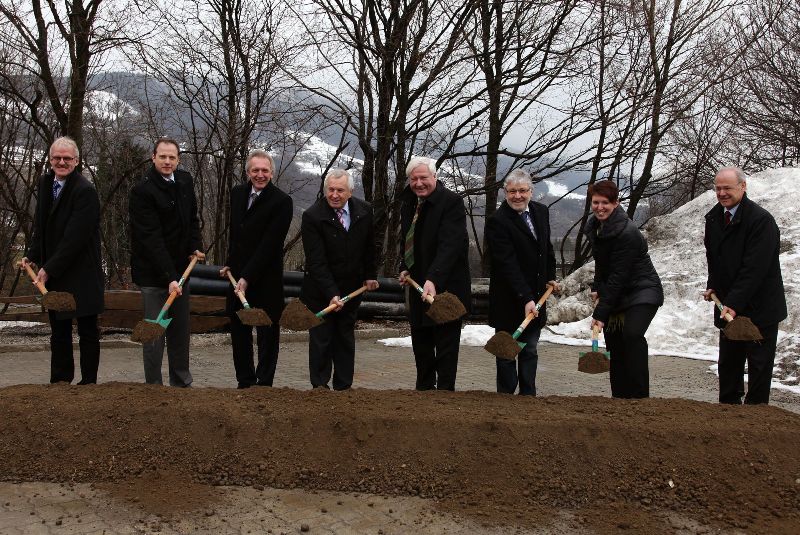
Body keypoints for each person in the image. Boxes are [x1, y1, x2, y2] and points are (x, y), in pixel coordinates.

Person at [22, 137, 104, 384]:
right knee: (59, 329)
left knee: (87, 329)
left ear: (76, 161)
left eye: (67, 158)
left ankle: (89, 382)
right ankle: (60, 381)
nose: (61, 162)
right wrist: (33, 254)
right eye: (57, 158)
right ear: (50, 159)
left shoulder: (85, 191)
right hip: (56, 274)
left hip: (82, 272)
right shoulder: (46, 183)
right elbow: (41, 226)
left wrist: (48, 268)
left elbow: (74, 239)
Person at [703, 167, 786, 405]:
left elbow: (755, 269)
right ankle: (727, 412)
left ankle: (756, 419)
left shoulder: (761, 221)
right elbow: (714, 258)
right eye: (718, 188)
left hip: (760, 306)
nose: (721, 193)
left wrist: (733, 303)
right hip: (729, 304)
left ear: (743, 186)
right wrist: (713, 285)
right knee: (729, 362)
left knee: (759, 365)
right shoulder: (714, 217)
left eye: (727, 188)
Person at [129, 138, 204, 387]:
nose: (167, 162)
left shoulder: (184, 181)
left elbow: (192, 218)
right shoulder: (143, 191)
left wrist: (195, 245)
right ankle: (154, 387)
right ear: (153, 157)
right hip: (154, 275)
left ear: (178, 159)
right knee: (154, 332)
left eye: (172, 157)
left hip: (182, 272)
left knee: (180, 332)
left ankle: (181, 383)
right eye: (162, 157)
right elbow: (151, 239)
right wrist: (170, 277)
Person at [300, 168, 378, 390]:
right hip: (320, 292)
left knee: (344, 338)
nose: (334, 195)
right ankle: (320, 388)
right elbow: (316, 262)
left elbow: (369, 247)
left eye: (340, 190)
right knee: (321, 339)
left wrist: (370, 275)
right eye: (331, 190)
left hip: (351, 290)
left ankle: (344, 388)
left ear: (350, 192)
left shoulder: (364, 211)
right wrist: (331, 294)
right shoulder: (313, 216)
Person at [220, 149, 292, 388]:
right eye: (255, 170)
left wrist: (248, 276)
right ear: (248, 172)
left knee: (267, 333)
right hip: (238, 276)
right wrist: (231, 263)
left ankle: (264, 384)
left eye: (264, 170)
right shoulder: (238, 193)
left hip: (266, 278)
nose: (260, 175)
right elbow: (236, 235)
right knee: (239, 331)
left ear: (271, 172)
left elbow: (270, 244)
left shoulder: (282, 201)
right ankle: (245, 381)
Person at [584, 180, 662, 399]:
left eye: (605, 203)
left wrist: (600, 314)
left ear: (616, 203)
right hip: (618, 291)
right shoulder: (597, 226)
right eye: (596, 202)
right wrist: (597, 287)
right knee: (615, 342)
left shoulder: (626, 233)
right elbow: (602, 262)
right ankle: (619, 398)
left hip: (642, 291)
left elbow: (619, 276)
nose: (600, 207)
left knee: (631, 335)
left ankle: (639, 397)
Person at [398, 156, 470, 391]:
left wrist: (433, 278)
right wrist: (404, 266)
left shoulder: (452, 202)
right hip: (419, 285)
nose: (419, 183)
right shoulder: (409, 200)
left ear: (435, 177)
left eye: (423, 178)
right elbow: (407, 239)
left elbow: (451, 244)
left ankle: (445, 397)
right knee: (422, 346)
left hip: (447, 288)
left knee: (446, 347)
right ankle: (424, 394)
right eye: (414, 179)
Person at [486, 169, 558, 395]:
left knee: (530, 349)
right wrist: (525, 297)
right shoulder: (498, 222)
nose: (517, 196)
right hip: (508, 298)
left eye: (522, 191)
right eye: (512, 192)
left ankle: (528, 396)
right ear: (505, 193)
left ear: (531, 191)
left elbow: (546, 249)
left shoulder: (540, 212)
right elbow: (507, 265)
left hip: (537, 296)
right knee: (508, 351)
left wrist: (550, 276)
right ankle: (506, 397)